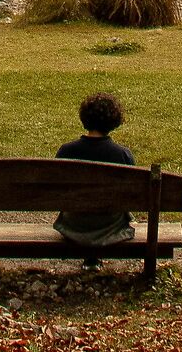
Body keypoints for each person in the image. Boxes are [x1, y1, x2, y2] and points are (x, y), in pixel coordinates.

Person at [54, 91, 136, 251]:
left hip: (73, 225)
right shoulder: (122, 155)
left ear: (84, 118)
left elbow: (55, 190)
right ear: (114, 120)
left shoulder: (66, 151)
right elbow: (131, 196)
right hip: (111, 226)